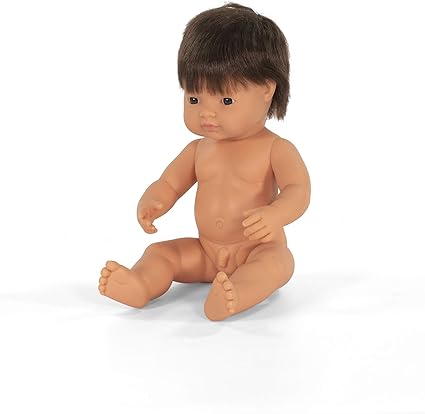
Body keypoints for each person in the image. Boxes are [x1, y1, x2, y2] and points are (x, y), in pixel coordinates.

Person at [99, 3, 311, 321]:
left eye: (226, 100)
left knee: (277, 264)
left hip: (258, 248)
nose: (206, 112)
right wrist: (154, 200)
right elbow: (170, 183)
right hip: (206, 251)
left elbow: (299, 190)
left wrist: (276, 214)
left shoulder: (276, 149)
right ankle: (140, 284)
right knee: (161, 253)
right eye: (194, 98)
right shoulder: (198, 150)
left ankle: (236, 295)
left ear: (267, 89)